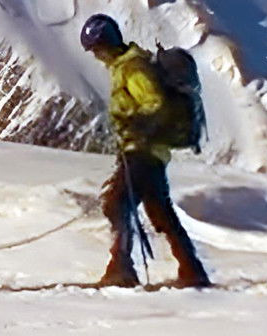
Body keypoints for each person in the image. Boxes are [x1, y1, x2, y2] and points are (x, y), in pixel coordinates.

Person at [80, 14, 211, 288]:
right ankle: (191, 269)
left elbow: (155, 102)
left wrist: (136, 127)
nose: (97, 56)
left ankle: (122, 269)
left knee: (117, 204)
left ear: (107, 44)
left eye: (98, 49)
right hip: (147, 150)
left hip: (143, 151)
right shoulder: (125, 66)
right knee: (159, 211)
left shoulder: (133, 68)